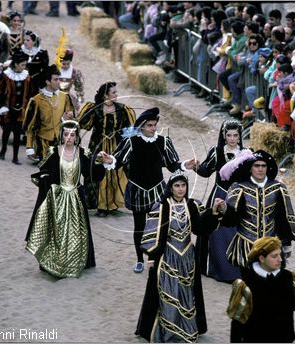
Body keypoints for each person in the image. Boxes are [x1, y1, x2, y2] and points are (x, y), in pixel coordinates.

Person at [97, 107, 198, 273]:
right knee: (139, 226)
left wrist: (185, 165)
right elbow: (119, 161)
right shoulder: (131, 141)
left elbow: (173, 165)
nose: (153, 128)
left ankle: (154, 257)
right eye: (150, 125)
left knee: (157, 227)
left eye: (154, 125)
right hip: (137, 189)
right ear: (142, 126)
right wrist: (109, 159)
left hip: (157, 190)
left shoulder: (163, 142)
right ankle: (139, 259)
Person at [135, 171, 226, 342]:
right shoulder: (162, 206)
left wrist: (213, 213)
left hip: (187, 257)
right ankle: (168, 331)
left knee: (186, 293)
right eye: (177, 186)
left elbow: (199, 228)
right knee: (168, 292)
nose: (180, 189)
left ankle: (186, 327)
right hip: (168, 256)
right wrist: (151, 257)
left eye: (183, 185)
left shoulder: (192, 205)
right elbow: (155, 234)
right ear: (170, 188)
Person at [25, 120, 105, 278]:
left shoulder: (83, 153)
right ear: (61, 136)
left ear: (76, 137)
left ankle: (76, 262)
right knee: (57, 231)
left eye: (73, 134)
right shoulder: (54, 151)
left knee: (77, 232)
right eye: (66, 134)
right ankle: (54, 262)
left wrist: (101, 162)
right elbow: (44, 169)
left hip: (76, 197)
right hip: (58, 198)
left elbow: (93, 174)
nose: (69, 137)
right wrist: (46, 178)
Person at [227, 236, 295, 342]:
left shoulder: (288, 278)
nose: (280, 259)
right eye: (274, 256)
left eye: (280, 254)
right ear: (261, 258)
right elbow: (237, 322)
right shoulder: (247, 284)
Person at [219, 149, 295, 268]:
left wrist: (287, 244)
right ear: (250, 168)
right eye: (256, 166)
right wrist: (224, 209)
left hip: (271, 244)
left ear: (268, 168)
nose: (260, 169)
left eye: (263, 166)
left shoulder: (278, 188)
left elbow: (283, 219)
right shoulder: (239, 188)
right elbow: (231, 219)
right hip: (246, 245)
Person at [194, 119, 246, 282]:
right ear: (224, 136)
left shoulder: (246, 153)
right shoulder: (217, 152)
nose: (232, 138)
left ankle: (240, 268)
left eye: (235, 135)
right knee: (217, 233)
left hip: (239, 198)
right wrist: (195, 166)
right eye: (229, 135)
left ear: (239, 137)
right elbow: (205, 171)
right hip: (220, 195)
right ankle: (218, 268)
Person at [77, 82, 136, 216]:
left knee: (115, 173)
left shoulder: (122, 109)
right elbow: (83, 124)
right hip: (97, 145)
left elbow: (128, 130)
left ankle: (111, 204)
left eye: (116, 92)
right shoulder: (95, 109)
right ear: (105, 95)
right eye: (113, 92)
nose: (116, 94)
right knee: (98, 173)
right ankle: (101, 206)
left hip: (115, 145)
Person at [23, 64, 75, 162]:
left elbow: (71, 119)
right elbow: (30, 126)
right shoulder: (36, 100)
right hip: (42, 143)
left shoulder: (65, 97)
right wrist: (29, 147)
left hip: (60, 141)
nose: (59, 82)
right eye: (55, 80)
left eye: (59, 79)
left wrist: (69, 117)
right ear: (47, 82)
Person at [0, 51, 33, 165]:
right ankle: (3, 150)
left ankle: (15, 157)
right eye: (22, 65)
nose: (24, 67)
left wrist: (29, 107)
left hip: (20, 110)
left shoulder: (26, 76)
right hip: (8, 109)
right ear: (16, 64)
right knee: (6, 132)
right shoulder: (6, 75)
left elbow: (30, 93)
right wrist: (2, 106)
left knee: (17, 133)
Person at [21, 30, 49, 95]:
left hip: (35, 82)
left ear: (34, 42)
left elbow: (45, 70)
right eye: (24, 40)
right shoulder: (20, 52)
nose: (25, 42)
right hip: (21, 81)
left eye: (28, 40)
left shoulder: (42, 54)